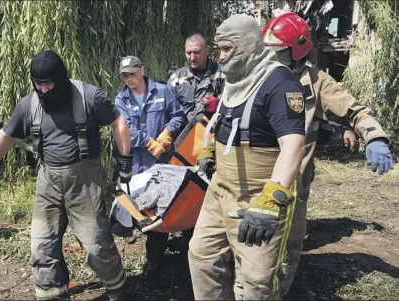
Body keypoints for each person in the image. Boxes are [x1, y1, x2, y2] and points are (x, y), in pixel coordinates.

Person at [0, 50, 132, 301]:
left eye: (49, 84)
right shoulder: (29, 105)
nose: (44, 90)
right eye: (38, 84)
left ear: (61, 78)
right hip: (48, 180)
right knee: (42, 246)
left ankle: (119, 290)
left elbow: (118, 122)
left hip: (85, 181)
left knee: (96, 247)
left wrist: (125, 161)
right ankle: (53, 295)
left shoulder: (89, 96)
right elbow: (6, 135)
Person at [262, 12, 394, 296]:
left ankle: (280, 291)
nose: (271, 59)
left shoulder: (317, 83)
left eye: (278, 53)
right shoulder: (255, 79)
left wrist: (374, 136)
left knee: (288, 247)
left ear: (296, 51)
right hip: (255, 178)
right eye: (267, 52)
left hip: (293, 184)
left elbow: (354, 110)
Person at [188, 14, 307, 300]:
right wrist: (210, 149)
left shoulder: (279, 82)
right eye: (219, 50)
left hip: (260, 193)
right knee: (201, 257)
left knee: (257, 280)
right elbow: (226, 122)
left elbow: (294, 145)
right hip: (221, 188)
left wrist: (271, 199)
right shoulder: (236, 78)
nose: (222, 56)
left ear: (250, 44)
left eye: (228, 48)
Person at [114, 56, 187, 284]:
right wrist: (148, 142)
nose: (129, 80)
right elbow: (123, 130)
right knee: (144, 214)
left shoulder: (162, 91)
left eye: (132, 74)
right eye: (124, 76)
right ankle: (153, 258)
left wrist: (168, 132)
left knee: (165, 211)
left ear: (142, 70)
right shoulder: (121, 99)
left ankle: (165, 257)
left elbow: (178, 115)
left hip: (164, 165)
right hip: (138, 166)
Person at [168, 33, 225, 121]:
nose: (192, 57)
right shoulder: (175, 79)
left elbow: (234, 106)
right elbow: (168, 112)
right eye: (188, 53)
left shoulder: (222, 74)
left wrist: (218, 104)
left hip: (213, 130)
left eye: (196, 52)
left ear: (207, 50)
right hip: (184, 132)